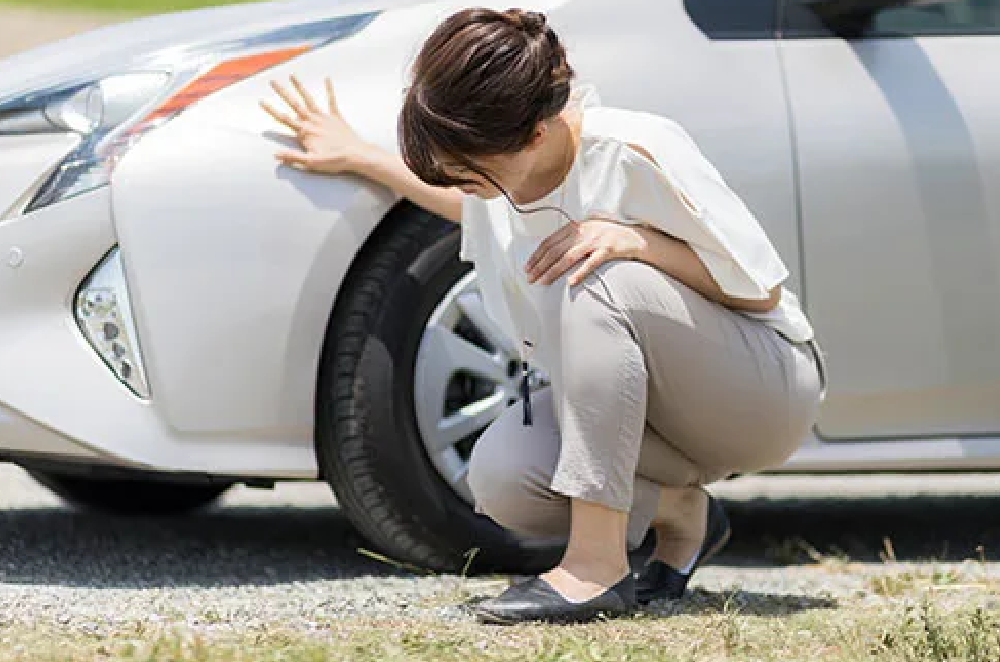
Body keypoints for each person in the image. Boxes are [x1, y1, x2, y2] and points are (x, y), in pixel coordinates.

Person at [261, 7, 826, 625]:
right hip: (652, 427)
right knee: (504, 477)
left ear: (535, 134)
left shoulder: (637, 149)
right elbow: (473, 206)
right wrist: (362, 157)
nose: (466, 184)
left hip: (759, 393)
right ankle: (683, 516)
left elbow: (760, 293)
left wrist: (638, 242)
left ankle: (596, 568)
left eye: (473, 170)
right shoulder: (506, 179)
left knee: (599, 271)